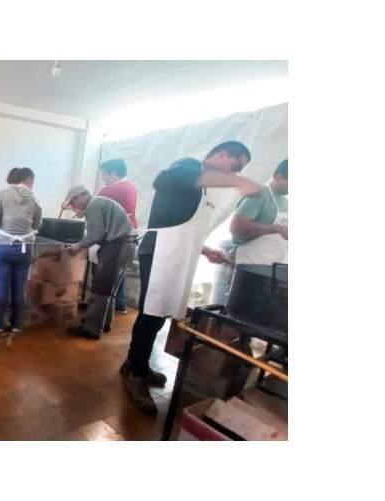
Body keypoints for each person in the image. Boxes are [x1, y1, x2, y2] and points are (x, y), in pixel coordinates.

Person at [122, 141, 262, 415]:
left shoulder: (201, 187)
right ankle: (134, 375)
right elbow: (164, 179)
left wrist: (207, 250)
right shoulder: (187, 166)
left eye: (239, 170)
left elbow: (183, 227)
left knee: (159, 315)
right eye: (236, 166)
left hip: (175, 254)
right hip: (161, 250)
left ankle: (134, 363)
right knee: (151, 314)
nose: (234, 173)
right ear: (222, 154)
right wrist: (239, 182)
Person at [62, 185, 137, 340]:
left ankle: (92, 329)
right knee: (110, 289)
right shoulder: (100, 202)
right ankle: (104, 322)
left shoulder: (94, 205)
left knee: (101, 288)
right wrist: (81, 213)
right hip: (126, 245)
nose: (74, 206)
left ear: (81, 196)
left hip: (117, 247)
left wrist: (78, 246)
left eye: (74, 202)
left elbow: (95, 235)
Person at [213, 159, 288, 304]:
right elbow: (237, 227)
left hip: (271, 270)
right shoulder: (258, 195)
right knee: (239, 309)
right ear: (278, 176)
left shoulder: (285, 201)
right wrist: (275, 228)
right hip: (248, 269)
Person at [0, 167, 43, 333]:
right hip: (25, 248)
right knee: (19, 287)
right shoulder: (35, 199)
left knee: (2, 287)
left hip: (4, 247)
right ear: (28, 179)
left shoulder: (3, 194)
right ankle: (16, 324)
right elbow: (37, 225)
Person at [97, 159, 139, 313]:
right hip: (129, 235)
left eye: (104, 174)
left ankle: (103, 311)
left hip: (118, 237)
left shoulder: (114, 190)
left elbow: (91, 203)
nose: (103, 178)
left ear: (113, 173)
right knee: (119, 271)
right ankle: (120, 304)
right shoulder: (130, 187)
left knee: (109, 273)